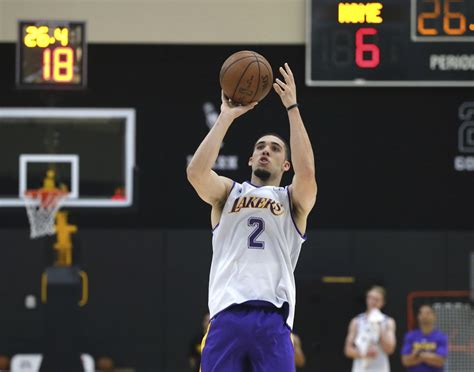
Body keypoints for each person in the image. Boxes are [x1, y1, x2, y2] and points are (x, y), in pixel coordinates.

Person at [187, 63, 317, 372]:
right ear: (249, 158)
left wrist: (292, 108)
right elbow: (196, 173)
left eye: (274, 149)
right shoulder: (228, 193)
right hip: (226, 316)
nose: (265, 151)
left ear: (286, 165)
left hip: (272, 318)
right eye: (260, 147)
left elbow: (308, 172)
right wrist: (226, 116)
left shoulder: (292, 201)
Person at [344, 286, 397, 372]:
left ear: (382, 302)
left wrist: (378, 325)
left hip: (380, 368)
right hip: (360, 369)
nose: (373, 302)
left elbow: (390, 349)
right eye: (371, 298)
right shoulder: (356, 321)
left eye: (377, 299)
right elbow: (348, 350)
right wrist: (364, 354)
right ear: (366, 299)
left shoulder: (388, 322)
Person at [401, 304, 448, 371]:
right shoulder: (410, 336)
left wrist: (418, 354)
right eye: (421, 313)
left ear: (434, 316)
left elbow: (440, 361)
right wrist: (431, 357)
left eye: (427, 313)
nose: (424, 316)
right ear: (418, 317)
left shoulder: (441, 337)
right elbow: (405, 361)